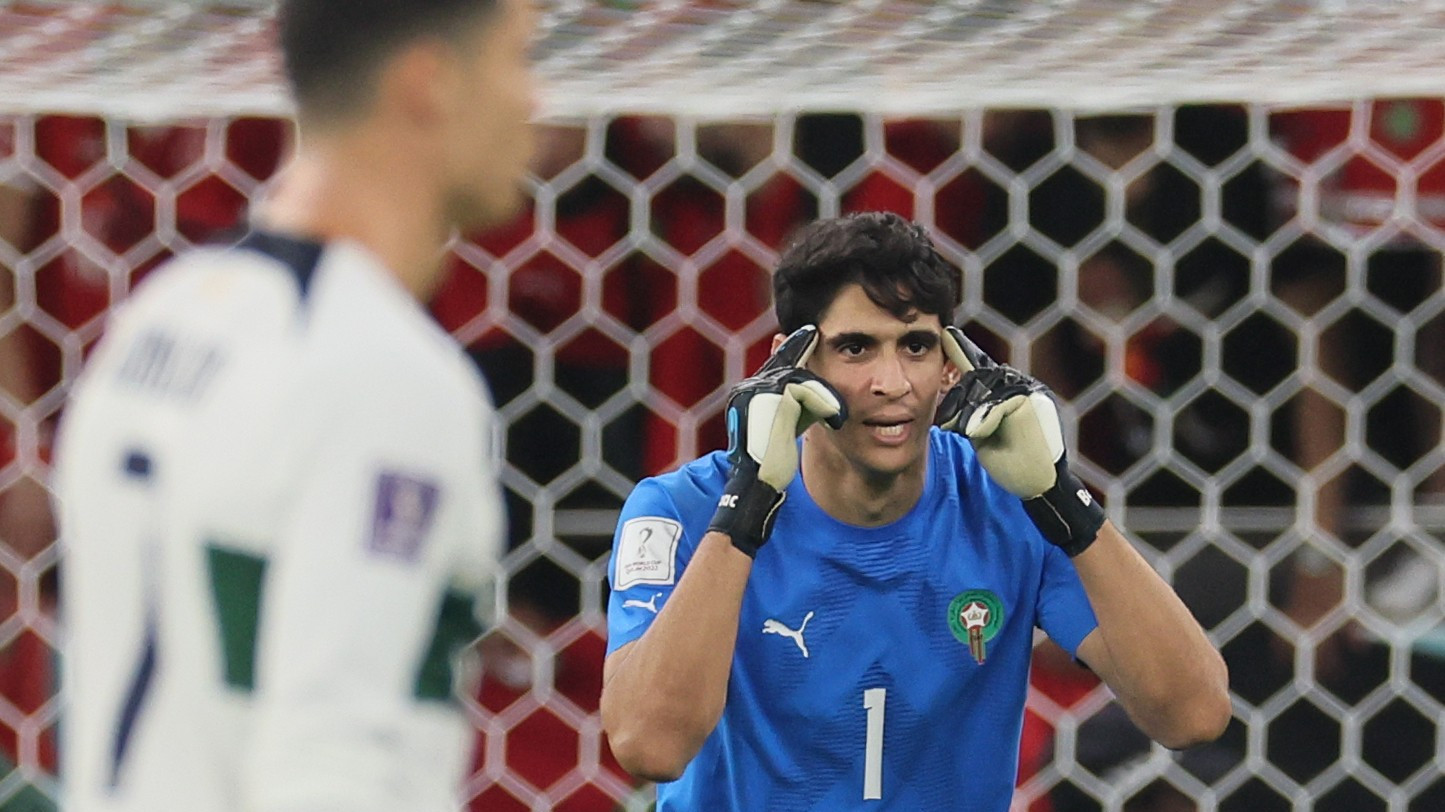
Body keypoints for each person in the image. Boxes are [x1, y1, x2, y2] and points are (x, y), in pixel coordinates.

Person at [53, 0, 536, 809]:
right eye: (518, 59)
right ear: (431, 82)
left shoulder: (157, 320)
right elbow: (330, 762)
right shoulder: (384, 375)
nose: (536, 99)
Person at [599, 211, 1230, 809]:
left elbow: (1192, 714)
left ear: (951, 364)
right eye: (855, 349)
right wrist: (748, 505)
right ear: (789, 363)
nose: (892, 383)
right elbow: (648, 745)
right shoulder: (684, 509)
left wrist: (1062, 496)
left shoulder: (1011, 503)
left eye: (916, 346)